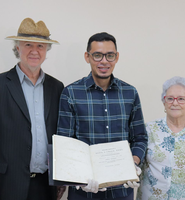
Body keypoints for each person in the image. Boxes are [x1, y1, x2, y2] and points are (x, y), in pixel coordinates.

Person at [57, 32, 147, 200]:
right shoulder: (70, 93)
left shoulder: (130, 93)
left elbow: (140, 137)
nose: (104, 61)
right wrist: (78, 178)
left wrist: (133, 164)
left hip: (122, 191)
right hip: (84, 191)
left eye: (110, 55)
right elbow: (65, 144)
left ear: (117, 57)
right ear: (87, 57)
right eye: (97, 55)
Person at [0, 18, 64, 200]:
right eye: (28, 44)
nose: (35, 51)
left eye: (41, 46)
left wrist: (61, 178)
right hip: (7, 184)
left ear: (46, 51)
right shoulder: (1, 84)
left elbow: (61, 134)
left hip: (45, 185)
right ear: (17, 48)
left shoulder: (57, 87)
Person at [137, 76, 185, 200]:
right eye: (170, 98)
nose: (175, 103)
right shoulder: (148, 130)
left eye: (181, 99)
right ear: (164, 102)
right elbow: (134, 161)